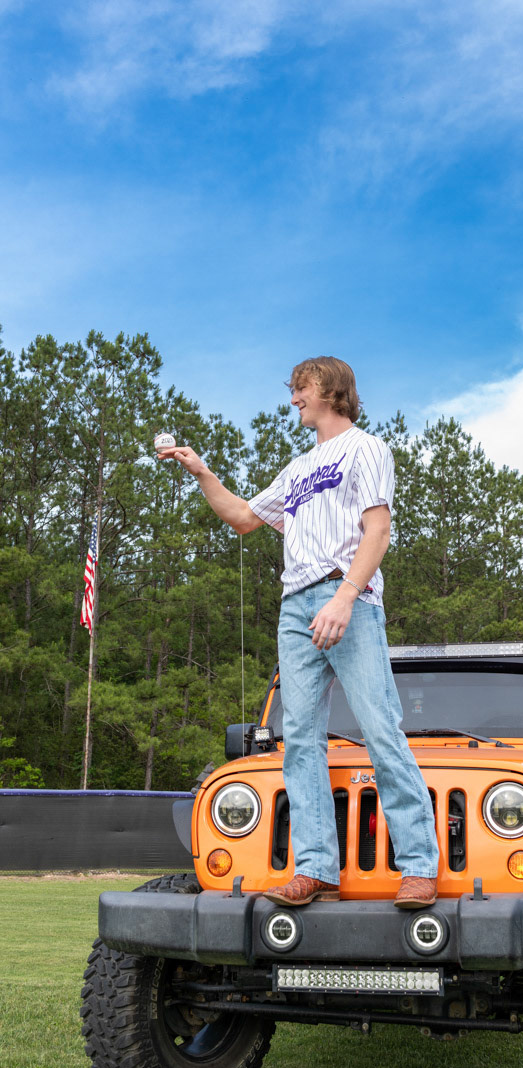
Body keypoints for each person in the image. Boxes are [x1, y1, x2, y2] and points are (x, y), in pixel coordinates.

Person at [158, 356, 439, 908]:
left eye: (301, 388)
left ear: (330, 389)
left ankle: (418, 867)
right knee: (300, 743)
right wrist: (201, 472)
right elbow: (244, 518)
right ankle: (315, 868)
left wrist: (344, 597)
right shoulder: (297, 469)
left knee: (380, 731)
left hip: (347, 597)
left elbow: (378, 531)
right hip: (295, 607)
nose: (293, 400)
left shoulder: (366, 448)